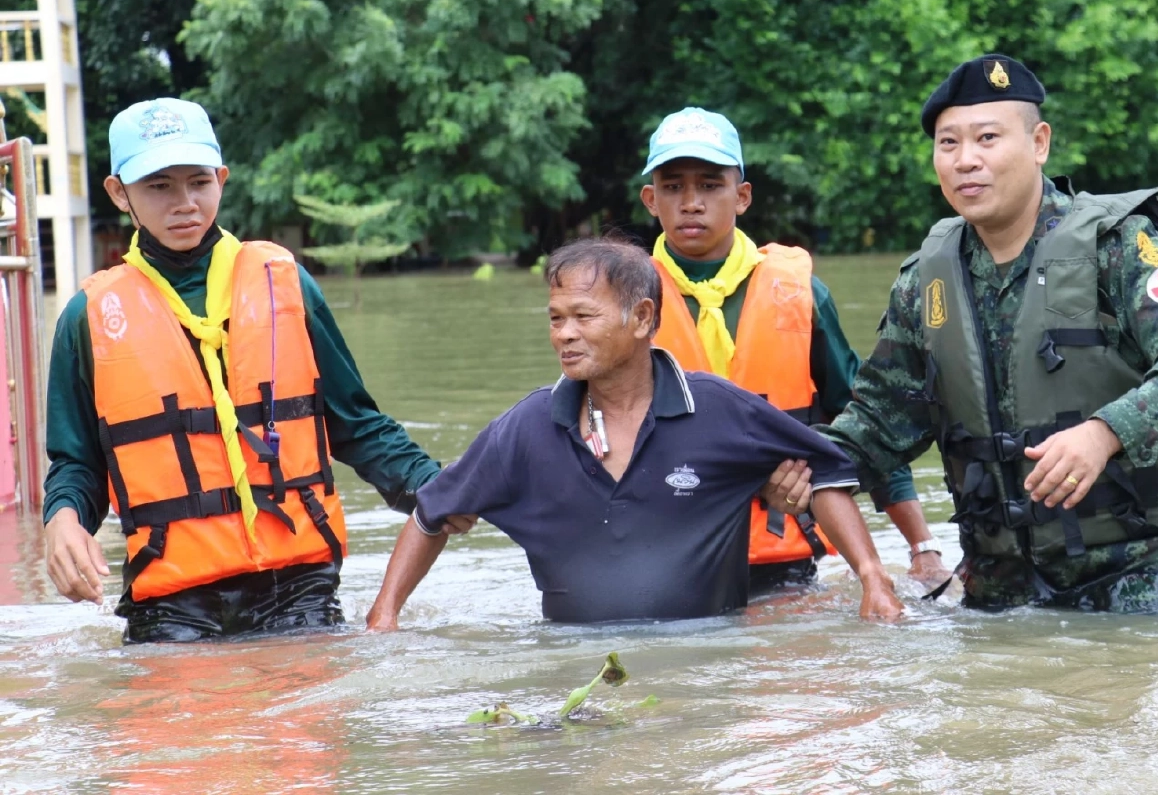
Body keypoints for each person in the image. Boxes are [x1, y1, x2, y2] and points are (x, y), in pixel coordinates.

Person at [819, 54, 1158, 611]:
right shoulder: (926, 281)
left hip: (1133, 571)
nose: (966, 161)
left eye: (987, 138)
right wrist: (800, 466)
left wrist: (1104, 432)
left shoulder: (1118, 245)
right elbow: (879, 420)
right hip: (997, 582)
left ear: (1039, 143)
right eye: (949, 144)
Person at [42, 97, 443, 643]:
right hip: (172, 602)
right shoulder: (87, 317)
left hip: (298, 587)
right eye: (159, 186)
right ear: (119, 193)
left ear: (222, 179)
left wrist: (438, 488)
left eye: (198, 182)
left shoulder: (287, 284)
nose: (184, 203)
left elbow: (356, 423)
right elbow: (77, 463)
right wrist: (62, 518)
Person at [366, 237, 904, 627]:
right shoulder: (526, 429)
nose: (565, 335)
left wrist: (872, 578)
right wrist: (384, 618)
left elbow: (830, 469)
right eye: (556, 319)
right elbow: (430, 513)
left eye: (583, 316)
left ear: (643, 318)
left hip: (710, 662)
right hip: (573, 667)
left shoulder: (717, 410)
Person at [638, 107, 952, 592]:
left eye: (709, 185)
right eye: (673, 186)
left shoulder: (800, 294)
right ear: (650, 200)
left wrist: (922, 548)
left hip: (782, 557)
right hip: (664, 557)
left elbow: (867, 422)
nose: (691, 202)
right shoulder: (623, 300)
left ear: (741, 197)